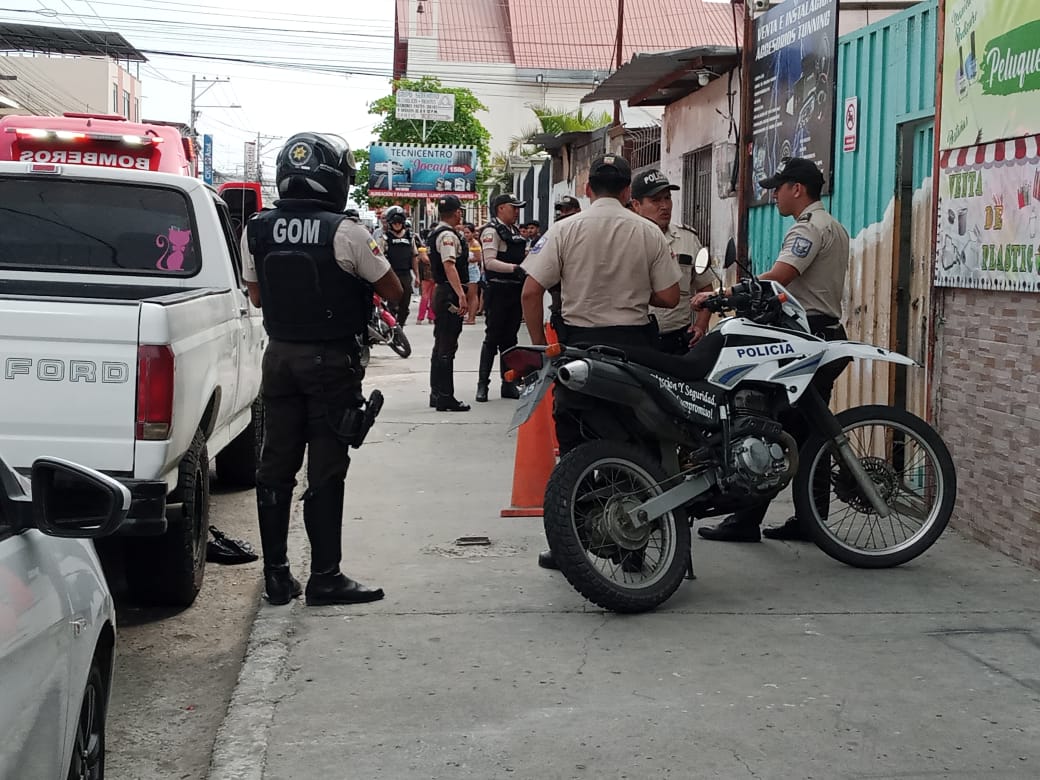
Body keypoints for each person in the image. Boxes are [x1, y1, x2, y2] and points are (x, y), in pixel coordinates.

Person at [242, 132, 402, 606]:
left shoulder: (257, 226)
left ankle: (276, 577)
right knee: (327, 468)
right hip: (330, 363)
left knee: (275, 468)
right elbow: (392, 291)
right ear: (335, 179)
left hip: (279, 360)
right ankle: (325, 577)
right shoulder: (347, 230)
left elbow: (255, 295)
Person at [521, 153, 680, 570]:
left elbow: (530, 292)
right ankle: (634, 549)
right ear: (629, 192)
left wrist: (544, 352)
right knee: (638, 446)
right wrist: (628, 292)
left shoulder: (564, 231)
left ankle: (568, 545)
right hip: (635, 354)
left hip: (580, 353)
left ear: (587, 190)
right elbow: (669, 298)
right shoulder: (648, 232)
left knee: (575, 449)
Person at [694, 156, 850, 543]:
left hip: (804, 337)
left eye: (779, 188)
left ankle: (748, 519)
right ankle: (808, 520)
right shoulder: (833, 226)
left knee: (768, 425)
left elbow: (779, 279)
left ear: (798, 189)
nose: (775, 195)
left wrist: (722, 295)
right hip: (823, 334)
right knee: (807, 429)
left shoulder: (808, 230)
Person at [630, 170, 715, 355]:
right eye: (655, 200)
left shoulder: (687, 238)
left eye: (667, 198)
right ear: (636, 205)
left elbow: (706, 289)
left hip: (678, 341)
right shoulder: (625, 240)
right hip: (636, 339)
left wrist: (700, 325)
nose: (664, 206)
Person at [475, 193, 528, 403]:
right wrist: (516, 268)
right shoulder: (492, 230)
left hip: (514, 290)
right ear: (500, 209)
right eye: (513, 207)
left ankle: (508, 383)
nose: (517, 211)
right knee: (492, 338)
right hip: (497, 290)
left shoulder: (514, 231)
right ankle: (482, 386)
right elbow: (489, 262)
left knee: (510, 340)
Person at [427, 194, 471, 412]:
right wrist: (461, 295)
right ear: (457, 213)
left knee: (441, 343)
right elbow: (449, 265)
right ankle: (445, 396)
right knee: (447, 345)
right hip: (449, 293)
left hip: (442, 291)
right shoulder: (447, 236)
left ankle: (437, 392)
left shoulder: (438, 232)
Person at [379, 205, 419, 326]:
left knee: (405, 305)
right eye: (394, 222)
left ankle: (400, 327)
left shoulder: (410, 238)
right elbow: (379, 258)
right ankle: (391, 328)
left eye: (399, 222)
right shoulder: (385, 239)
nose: (397, 225)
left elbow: (414, 257)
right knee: (392, 304)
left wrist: (417, 276)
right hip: (391, 274)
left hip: (406, 275)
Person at [548, 196, 582, 333]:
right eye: (561, 211)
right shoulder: (555, 233)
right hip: (560, 298)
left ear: (578, 211)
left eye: (567, 210)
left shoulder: (585, 232)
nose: (563, 214)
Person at [416, 244, 436, 324]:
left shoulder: (423, 250)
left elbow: (425, 260)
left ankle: (420, 318)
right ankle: (431, 317)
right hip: (434, 275)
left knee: (425, 297)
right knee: (432, 297)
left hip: (426, 276)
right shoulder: (437, 250)